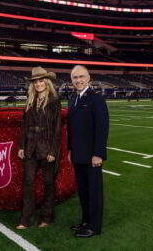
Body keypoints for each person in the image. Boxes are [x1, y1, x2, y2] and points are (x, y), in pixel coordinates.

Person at [16, 66, 62, 229]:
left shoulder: (54, 101)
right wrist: (22, 146)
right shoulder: (30, 100)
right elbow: (24, 125)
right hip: (29, 148)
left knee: (49, 183)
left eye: (41, 81)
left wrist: (53, 151)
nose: (38, 84)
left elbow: (57, 128)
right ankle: (26, 219)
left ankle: (47, 217)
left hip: (47, 148)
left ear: (47, 83)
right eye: (35, 82)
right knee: (28, 183)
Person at [67, 65, 109, 238]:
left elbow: (102, 128)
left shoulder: (96, 99)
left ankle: (94, 226)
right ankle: (85, 221)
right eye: (75, 77)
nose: (78, 80)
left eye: (81, 77)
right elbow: (72, 129)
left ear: (89, 77)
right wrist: (70, 150)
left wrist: (98, 153)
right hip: (77, 154)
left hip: (92, 155)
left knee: (94, 192)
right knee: (83, 191)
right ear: (71, 80)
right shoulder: (72, 99)